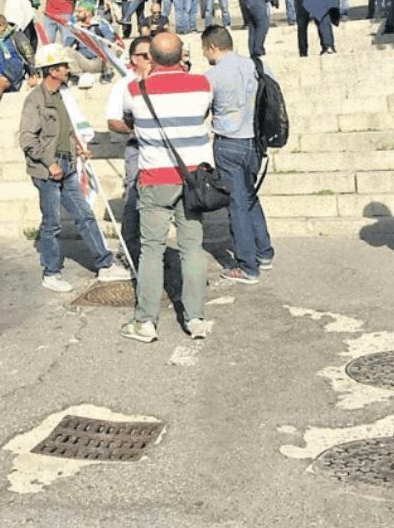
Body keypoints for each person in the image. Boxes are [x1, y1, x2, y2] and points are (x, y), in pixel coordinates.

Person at [118, 32, 213, 343]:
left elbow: (129, 120)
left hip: (155, 178)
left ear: (152, 58)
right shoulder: (202, 84)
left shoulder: (135, 89)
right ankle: (196, 318)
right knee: (192, 248)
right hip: (194, 178)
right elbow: (204, 114)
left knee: (151, 250)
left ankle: (145, 321)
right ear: (182, 55)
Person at [18, 44, 130, 293]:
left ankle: (104, 263)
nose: (68, 69)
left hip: (67, 164)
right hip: (47, 171)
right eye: (63, 66)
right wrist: (50, 163)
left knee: (85, 215)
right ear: (52, 71)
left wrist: (78, 149)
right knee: (52, 223)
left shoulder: (62, 96)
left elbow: (66, 131)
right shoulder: (35, 100)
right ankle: (51, 272)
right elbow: (27, 139)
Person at [202, 25, 274, 285]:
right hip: (255, 142)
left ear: (212, 47)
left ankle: (247, 265)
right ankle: (264, 252)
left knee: (237, 204)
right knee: (250, 195)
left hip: (229, 142)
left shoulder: (212, 75)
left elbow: (202, 110)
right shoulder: (257, 66)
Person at [106, 37, 152, 270]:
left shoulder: (161, 80)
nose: (150, 59)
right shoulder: (123, 86)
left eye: (152, 54)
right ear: (134, 59)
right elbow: (113, 121)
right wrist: (134, 129)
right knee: (134, 196)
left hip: (163, 148)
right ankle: (128, 249)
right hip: (137, 146)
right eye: (145, 55)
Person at [64, 1, 115, 88]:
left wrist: (100, 43)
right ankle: (76, 76)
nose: (76, 14)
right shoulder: (76, 26)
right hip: (85, 61)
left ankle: (107, 74)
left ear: (88, 12)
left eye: (80, 12)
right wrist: (76, 31)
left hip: (99, 60)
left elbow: (110, 38)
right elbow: (67, 44)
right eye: (76, 12)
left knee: (107, 48)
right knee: (67, 51)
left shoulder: (99, 25)